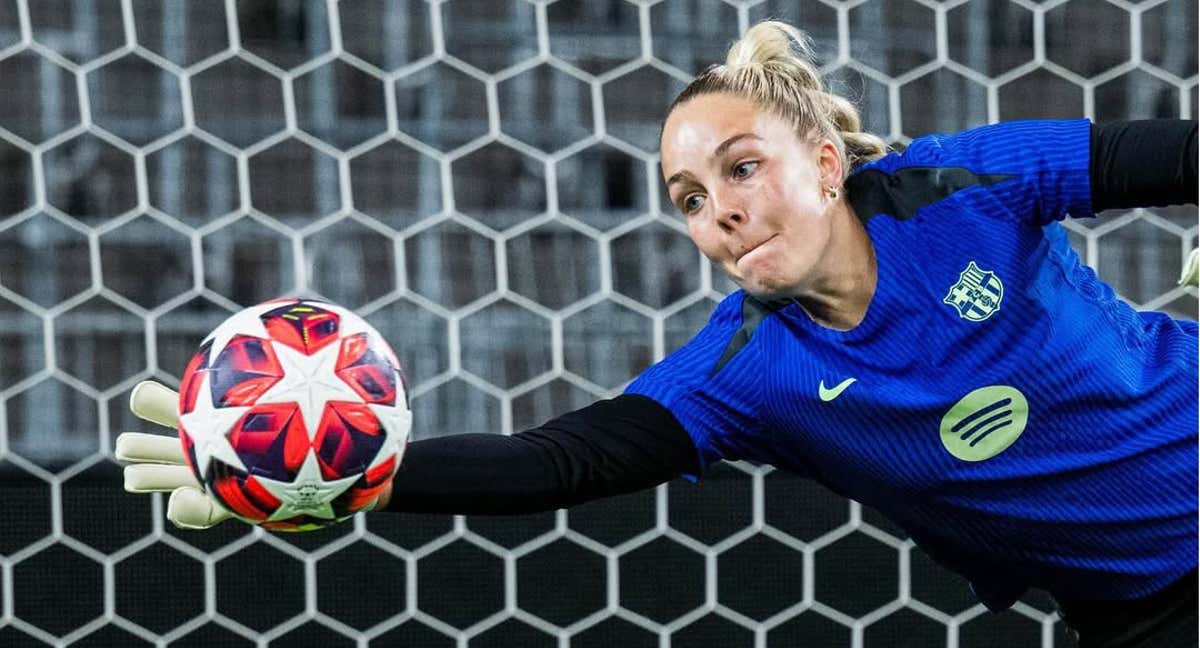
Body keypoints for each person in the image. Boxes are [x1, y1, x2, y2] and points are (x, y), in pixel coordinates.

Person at [117, 20, 1198, 648]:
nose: (716, 211)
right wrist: (343, 472)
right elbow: (560, 459)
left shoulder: (966, 186)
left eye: (741, 169)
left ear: (824, 162)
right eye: (687, 197)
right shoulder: (747, 372)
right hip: (1135, 610)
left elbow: (1169, 150)